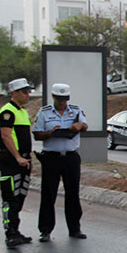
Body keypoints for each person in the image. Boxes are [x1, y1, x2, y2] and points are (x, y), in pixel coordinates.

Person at [32, 83, 88, 242]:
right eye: (60, 99)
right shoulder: (44, 113)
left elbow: (85, 125)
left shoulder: (76, 110)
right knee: (48, 194)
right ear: (53, 97)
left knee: (73, 193)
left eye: (66, 99)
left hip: (71, 157)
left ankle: (74, 229)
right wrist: (49, 133)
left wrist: (79, 125)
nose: (63, 102)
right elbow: (37, 134)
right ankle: (45, 230)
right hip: (51, 158)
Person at [0, 78, 35, 248]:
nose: (28, 95)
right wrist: (18, 156)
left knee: (20, 196)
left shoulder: (23, 112)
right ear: (14, 93)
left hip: (25, 160)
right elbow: (6, 136)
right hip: (11, 160)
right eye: (24, 92)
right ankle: (10, 233)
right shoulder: (7, 112)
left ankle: (16, 229)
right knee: (10, 197)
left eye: (28, 92)